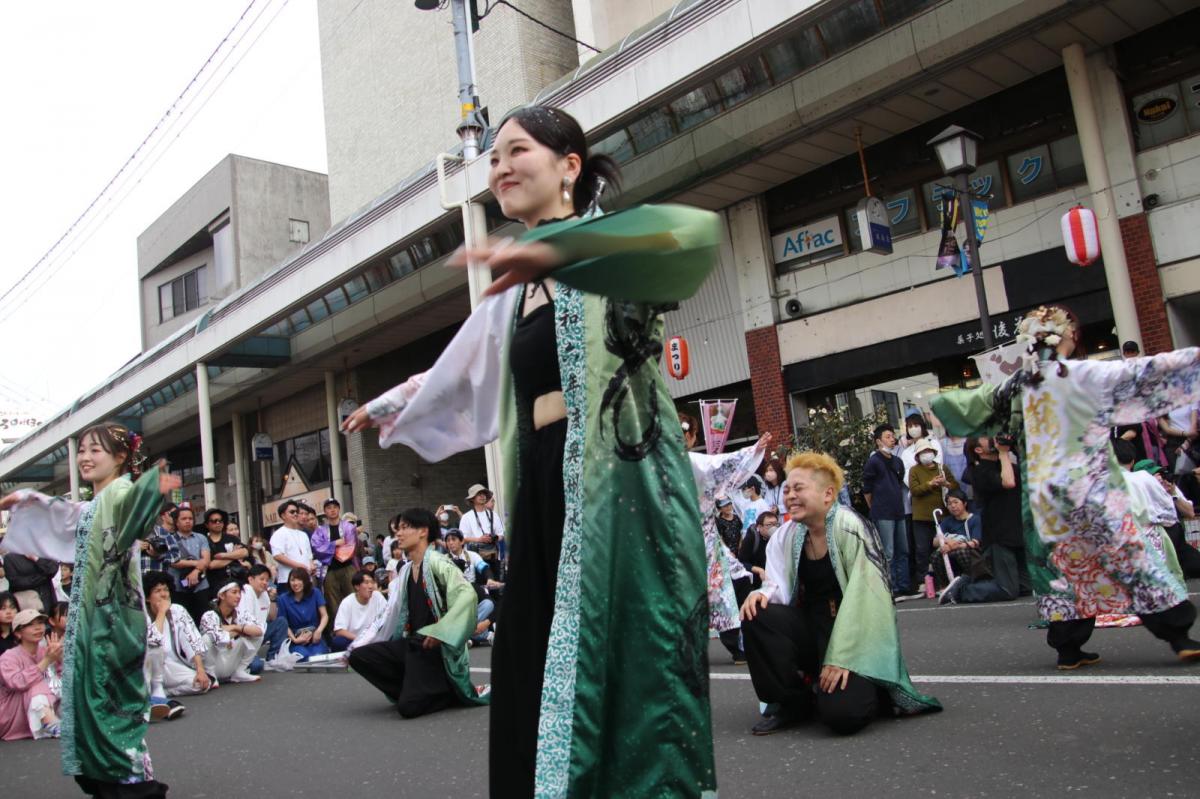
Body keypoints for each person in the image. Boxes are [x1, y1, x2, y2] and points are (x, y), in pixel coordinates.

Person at [343, 105, 720, 797]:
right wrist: (390, 403)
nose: (501, 168)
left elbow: (693, 237)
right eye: (492, 159)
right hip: (547, 485)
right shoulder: (511, 290)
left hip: (621, 491)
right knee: (532, 660)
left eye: (517, 150)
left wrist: (560, 251)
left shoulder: (610, 247)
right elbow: (458, 369)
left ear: (569, 165)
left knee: (629, 661)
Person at [931, 305, 1200, 668]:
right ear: (1067, 336)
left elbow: (973, 407)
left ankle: (1068, 649)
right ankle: (1178, 635)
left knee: (1061, 569)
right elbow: (1141, 373)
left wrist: (940, 404)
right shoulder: (1082, 374)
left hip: (1044, 497)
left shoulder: (1018, 385)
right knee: (1129, 556)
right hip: (1089, 487)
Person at [0, 422, 180, 796]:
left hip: (114, 624)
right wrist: (26, 499)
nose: (84, 456)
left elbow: (134, 509)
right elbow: (67, 514)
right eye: (81, 449)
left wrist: (151, 489)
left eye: (95, 450)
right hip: (92, 622)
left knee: (111, 707)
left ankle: (135, 786)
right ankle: (110, 782)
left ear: (120, 457)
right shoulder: (95, 503)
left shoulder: (120, 492)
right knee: (92, 706)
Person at [740, 452, 940, 736]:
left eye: (799, 489)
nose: (790, 496)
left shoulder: (850, 527)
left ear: (827, 494)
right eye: (787, 490)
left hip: (854, 637)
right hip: (812, 628)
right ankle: (790, 702)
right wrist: (761, 595)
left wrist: (843, 656)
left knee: (842, 716)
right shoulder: (786, 535)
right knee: (756, 613)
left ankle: (874, 689)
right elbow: (776, 584)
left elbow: (868, 599)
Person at [347, 508, 488, 718]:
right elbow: (389, 613)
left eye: (405, 528)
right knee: (359, 657)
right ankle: (415, 689)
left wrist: (441, 631)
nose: (399, 533)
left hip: (435, 650)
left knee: (408, 708)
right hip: (412, 644)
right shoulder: (405, 571)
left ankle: (444, 691)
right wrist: (360, 642)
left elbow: (466, 596)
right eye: (398, 529)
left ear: (423, 531)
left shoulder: (439, 563)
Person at [964, 435, 1027, 601]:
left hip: (1017, 531)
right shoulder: (979, 472)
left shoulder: (1007, 465)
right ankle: (964, 589)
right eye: (986, 438)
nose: (992, 439)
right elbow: (1008, 482)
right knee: (1007, 590)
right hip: (998, 536)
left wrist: (1013, 447)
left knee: (1026, 587)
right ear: (978, 450)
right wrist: (1004, 453)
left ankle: (980, 583)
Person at [143, 570, 213, 696]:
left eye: (165, 590)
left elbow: (193, 640)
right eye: (157, 591)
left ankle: (165, 692)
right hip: (149, 668)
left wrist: (200, 670)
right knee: (156, 649)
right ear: (148, 597)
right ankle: (154, 691)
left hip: (172, 666)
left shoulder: (177, 610)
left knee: (201, 684)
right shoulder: (142, 615)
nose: (163, 594)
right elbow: (153, 640)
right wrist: (161, 612)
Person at [862, 424, 911, 596]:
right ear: (878, 441)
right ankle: (891, 587)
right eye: (888, 437)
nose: (892, 439)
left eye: (892, 436)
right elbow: (867, 490)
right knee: (888, 552)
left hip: (899, 510)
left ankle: (904, 584)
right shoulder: (873, 461)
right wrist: (874, 507)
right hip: (883, 512)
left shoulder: (897, 461)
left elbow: (898, 483)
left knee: (903, 549)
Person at [0, 608, 62, 740]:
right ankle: (51, 724)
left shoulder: (47, 650)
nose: (38, 628)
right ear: (17, 633)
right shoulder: (9, 657)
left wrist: (60, 658)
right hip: (11, 714)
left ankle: (55, 722)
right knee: (36, 683)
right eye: (30, 625)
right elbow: (17, 683)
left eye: (40, 623)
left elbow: (64, 681)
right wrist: (46, 661)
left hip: (42, 708)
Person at [908, 439, 959, 591]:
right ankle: (924, 580)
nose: (926, 454)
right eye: (922, 452)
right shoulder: (914, 470)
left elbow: (955, 486)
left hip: (942, 515)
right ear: (917, 455)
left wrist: (944, 483)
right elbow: (915, 490)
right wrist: (930, 484)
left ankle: (944, 578)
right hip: (921, 516)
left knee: (944, 547)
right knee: (922, 549)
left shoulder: (942, 468)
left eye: (928, 451)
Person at [199, 582, 262, 683]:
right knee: (207, 638)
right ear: (222, 595)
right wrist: (241, 631)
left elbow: (259, 630)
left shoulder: (241, 613)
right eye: (234, 592)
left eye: (239, 593)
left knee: (257, 636)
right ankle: (210, 675)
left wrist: (234, 627)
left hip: (230, 661)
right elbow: (219, 639)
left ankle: (240, 671)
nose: (238, 596)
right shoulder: (209, 614)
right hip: (215, 662)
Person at [311, 498, 361, 622]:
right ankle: (338, 629)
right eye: (329, 508)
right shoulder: (320, 531)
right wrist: (335, 543)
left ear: (339, 509)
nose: (332, 510)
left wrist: (329, 547)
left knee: (353, 596)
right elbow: (318, 550)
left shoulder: (349, 527)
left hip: (348, 567)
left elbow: (351, 547)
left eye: (334, 507)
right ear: (324, 511)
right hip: (329, 570)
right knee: (332, 601)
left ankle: (356, 625)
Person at [443, 530, 496, 645]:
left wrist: (489, 578)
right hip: (454, 597)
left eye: (453, 539)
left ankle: (464, 636)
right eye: (448, 540)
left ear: (462, 541)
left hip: (472, 592)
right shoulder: (443, 560)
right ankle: (486, 635)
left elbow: (484, 569)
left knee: (489, 604)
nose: (450, 543)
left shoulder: (472, 555)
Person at [167, 505, 212, 624]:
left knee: (203, 620)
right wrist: (197, 563)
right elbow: (174, 562)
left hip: (200, 585)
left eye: (190, 518)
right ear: (176, 522)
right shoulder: (170, 539)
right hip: (178, 587)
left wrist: (196, 572)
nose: (188, 521)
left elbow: (206, 559)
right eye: (184, 519)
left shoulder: (201, 538)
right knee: (182, 622)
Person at [238, 563, 288, 664]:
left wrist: (273, 599)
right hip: (244, 636)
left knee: (281, 622)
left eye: (267, 580)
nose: (265, 582)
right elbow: (243, 623)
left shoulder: (265, 594)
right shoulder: (245, 592)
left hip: (260, 632)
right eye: (261, 579)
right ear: (251, 579)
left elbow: (272, 617)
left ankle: (273, 657)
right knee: (256, 666)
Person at [276, 568, 330, 661]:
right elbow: (283, 624)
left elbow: (324, 615)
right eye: (292, 580)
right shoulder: (283, 599)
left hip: (314, 637)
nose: (295, 583)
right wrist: (294, 639)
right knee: (302, 657)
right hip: (295, 639)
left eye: (299, 579)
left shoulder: (315, 593)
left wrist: (319, 631)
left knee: (318, 656)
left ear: (305, 581)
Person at [270, 500, 317, 596]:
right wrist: (299, 566)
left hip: (306, 579)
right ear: (283, 516)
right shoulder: (279, 534)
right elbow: (278, 556)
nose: (295, 514)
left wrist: (311, 566)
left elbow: (309, 556)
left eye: (296, 511)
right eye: (292, 512)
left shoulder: (304, 534)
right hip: (288, 580)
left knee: (309, 609)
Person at [331, 571, 387, 652]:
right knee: (338, 642)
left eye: (372, 582)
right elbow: (339, 630)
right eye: (366, 583)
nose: (370, 586)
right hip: (354, 639)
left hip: (374, 639)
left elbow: (387, 616)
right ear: (357, 586)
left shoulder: (377, 596)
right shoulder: (347, 602)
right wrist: (360, 639)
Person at [458, 484, 504, 570]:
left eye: (484, 494)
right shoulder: (466, 517)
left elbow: (501, 535)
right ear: (472, 499)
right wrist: (479, 539)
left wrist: (494, 538)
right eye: (479, 494)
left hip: (494, 556)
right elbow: (461, 539)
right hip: (475, 560)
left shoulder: (493, 515)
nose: (482, 496)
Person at [202, 509, 247, 593]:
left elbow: (244, 552)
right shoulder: (204, 542)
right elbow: (211, 565)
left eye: (220, 520)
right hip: (216, 585)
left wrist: (223, 555)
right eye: (214, 521)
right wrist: (233, 555)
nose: (218, 523)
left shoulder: (231, 538)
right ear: (207, 524)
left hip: (237, 581)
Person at [140, 503, 178, 574]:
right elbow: (117, 557)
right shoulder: (129, 534)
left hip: (158, 580)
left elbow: (176, 555)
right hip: (136, 581)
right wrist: (135, 549)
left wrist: (159, 555)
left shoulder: (162, 532)